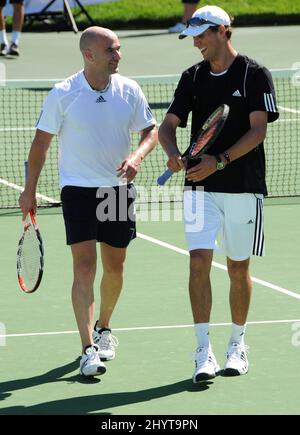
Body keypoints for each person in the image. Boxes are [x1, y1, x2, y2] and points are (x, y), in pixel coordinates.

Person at [19, 26, 158, 377]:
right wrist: (29, 190)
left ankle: (104, 327)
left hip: (117, 191)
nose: (118, 55)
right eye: (111, 50)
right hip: (78, 191)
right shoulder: (63, 93)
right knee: (84, 267)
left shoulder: (129, 90)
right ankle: (87, 349)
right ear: (89, 55)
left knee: (115, 267)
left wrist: (138, 157)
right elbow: (40, 146)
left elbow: (150, 130)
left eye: (119, 49)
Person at [159, 5, 279, 383]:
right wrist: (173, 153)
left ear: (224, 31)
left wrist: (220, 160)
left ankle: (237, 344)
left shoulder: (255, 75)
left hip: (242, 187)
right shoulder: (191, 77)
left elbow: (258, 130)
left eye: (202, 34)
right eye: (192, 36)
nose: (196, 42)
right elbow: (167, 126)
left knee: (238, 266)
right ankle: (202, 351)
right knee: (197, 261)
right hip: (198, 188)